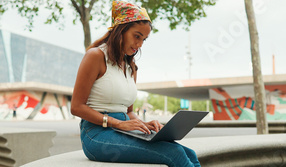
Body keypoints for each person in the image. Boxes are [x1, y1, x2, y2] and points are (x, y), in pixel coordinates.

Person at [70, 1, 201, 166]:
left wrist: (144, 124)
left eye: (144, 40)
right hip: (96, 135)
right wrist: (118, 123)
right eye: (137, 36)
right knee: (174, 154)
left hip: (124, 130)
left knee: (190, 153)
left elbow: (129, 112)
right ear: (121, 30)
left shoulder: (131, 66)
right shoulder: (95, 56)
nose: (139, 45)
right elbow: (76, 107)